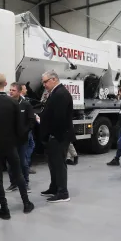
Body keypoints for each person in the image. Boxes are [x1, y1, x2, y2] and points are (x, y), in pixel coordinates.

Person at [0, 73, 34, 219]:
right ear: (5, 84)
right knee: (18, 173)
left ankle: (4, 209)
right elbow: (20, 128)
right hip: (11, 145)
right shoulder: (14, 103)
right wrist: (15, 141)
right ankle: (26, 203)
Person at [39, 70, 74, 203]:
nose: (44, 85)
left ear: (54, 79)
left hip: (58, 136)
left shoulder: (60, 94)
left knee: (59, 164)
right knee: (53, 164)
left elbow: (59, 118)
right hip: (54, 135)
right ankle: (54, 187)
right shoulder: (55, 93)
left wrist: (53, 134)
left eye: (45, 82)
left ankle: (63, 192)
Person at [5, 82, 36, 193]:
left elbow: (31, 121)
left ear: (18, 92)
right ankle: (13, 183)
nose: (11, 92)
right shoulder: (7, 104)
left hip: (22, 140)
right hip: (10, 140)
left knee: (23, 162)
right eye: (10, 90)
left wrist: (25, 131)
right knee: (10, 163)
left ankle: (25, 183)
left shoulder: (26, 105)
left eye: (13, 90)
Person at [20, 84, 37, 174]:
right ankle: (25, 165)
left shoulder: (24, 99)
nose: (26, 90)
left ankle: (25, 163)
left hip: (26, 128)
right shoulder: (21, 101)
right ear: (21, 90)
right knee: (28, 146)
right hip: (26, 128)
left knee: (31, 145)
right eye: (25, 88)